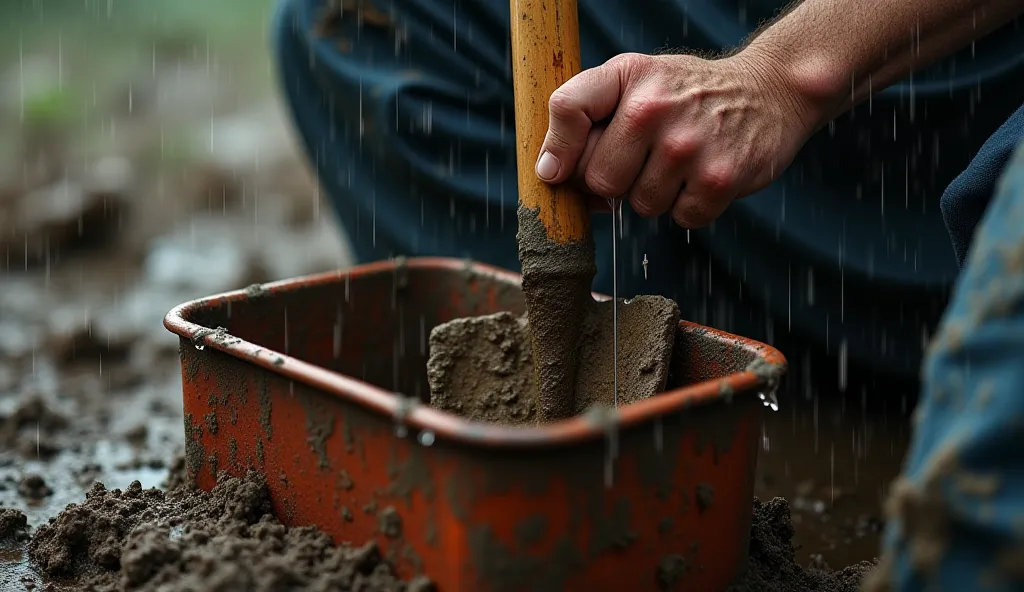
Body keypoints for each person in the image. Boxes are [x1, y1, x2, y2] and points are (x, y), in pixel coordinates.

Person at [272, 0, 1024, 588]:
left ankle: (965, 417)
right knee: (361, 19)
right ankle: (692, 427)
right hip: (734, 60)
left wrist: (780, 74)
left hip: (978, 75)